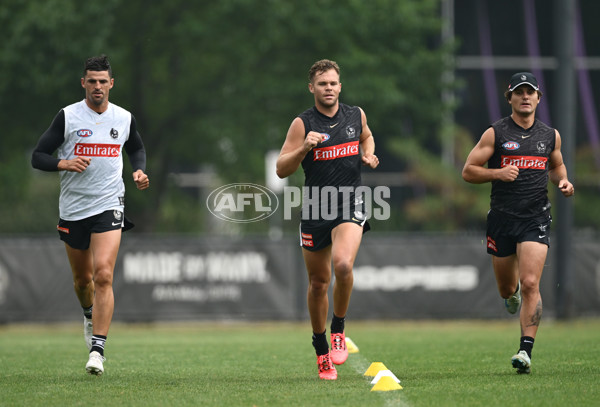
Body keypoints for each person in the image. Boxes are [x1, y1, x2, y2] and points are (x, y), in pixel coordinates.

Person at [31, 55, 150, 376]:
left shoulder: (123, 117)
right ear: (83, 83)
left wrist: (139, 170)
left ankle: (97, 349)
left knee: (104, 275)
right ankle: (88, 314)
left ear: (112, 84)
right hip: (73, 210)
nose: (97, 87)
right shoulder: (68, 117)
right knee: (83, 281)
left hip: (110, 203)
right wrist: (63, 163)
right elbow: (38, 156)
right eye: (92, 81)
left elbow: (136, 147)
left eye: (103, 81)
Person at [462, 72, 574, 374]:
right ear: (509, 98)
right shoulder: (495, 134)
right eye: (519, 92)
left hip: (535, 217)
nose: (525, 97)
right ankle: (508, 297)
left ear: (538, 98)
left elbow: (557, 165)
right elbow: (469, 171)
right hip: (501, 219)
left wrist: (563, 181)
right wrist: (497, 173)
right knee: (507, 288)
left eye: (530, 92)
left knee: (530, 283)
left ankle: (525, 351)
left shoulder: (550, 135)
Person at [276, 59, 379, 380]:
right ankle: (322, 350)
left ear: (340, 86)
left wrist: (368, 153)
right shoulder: (302, 123)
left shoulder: (355, 114)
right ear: (312, 88)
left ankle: (338, 328)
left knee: (343, 265)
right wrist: (303, 148)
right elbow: (282, 168)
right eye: (323, 84)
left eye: (333, 83)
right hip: (315, 207)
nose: (329, 88)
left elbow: (366, 135)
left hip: (351, 201)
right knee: (318, 283)